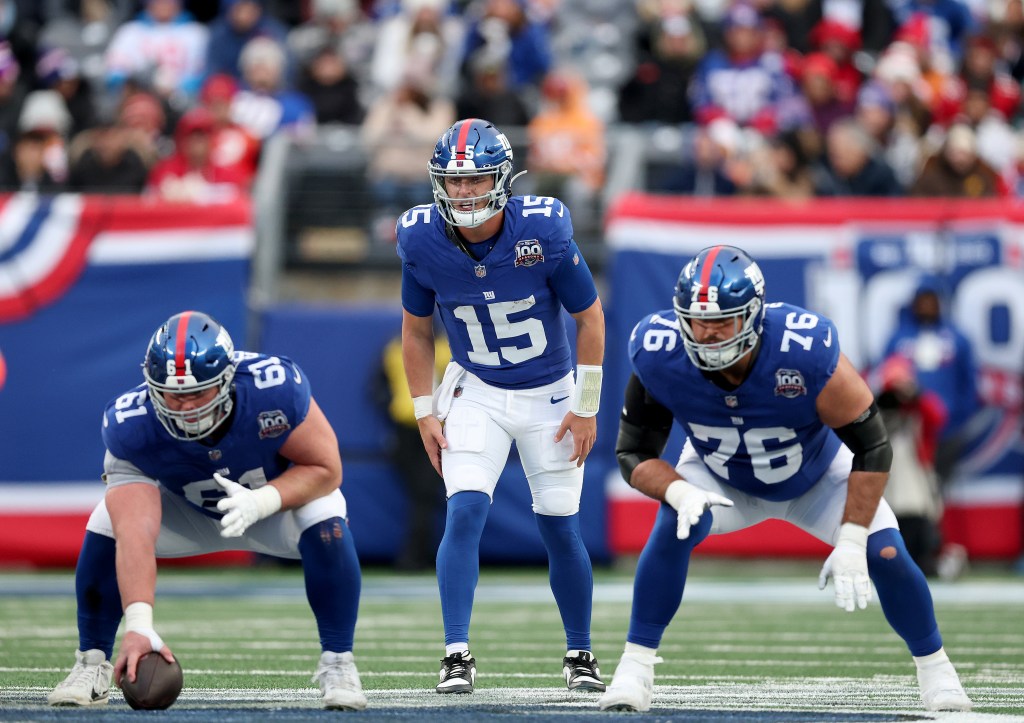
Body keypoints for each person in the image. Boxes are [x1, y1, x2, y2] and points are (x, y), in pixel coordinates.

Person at [597, 246, 972, 714]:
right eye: (696, 321)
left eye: (723, 322)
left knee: (887, 552)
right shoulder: (660, 352)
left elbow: (873, 445)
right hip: (720, 474)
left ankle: (937, 671)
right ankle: (635, 669)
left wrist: (853, 539)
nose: (707, 334)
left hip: (814, 475)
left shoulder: (804, 350)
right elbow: (633, 452)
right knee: (676, 522)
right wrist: (679, 489)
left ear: (753, 316)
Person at [47, 311, 366, 711]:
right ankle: (91, 663)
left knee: (325, 514)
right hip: (190, 513)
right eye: (173, 394)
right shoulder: (131, 424)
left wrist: (261, 500)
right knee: (108, 522)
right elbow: (135, 533)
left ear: (228, 379)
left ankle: (338, 662)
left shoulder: (275, 388)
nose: (186, 407)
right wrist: (140, 626)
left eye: (199, 393)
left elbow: (326, 469)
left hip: (273, 507)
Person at [397, 118, 606, 694]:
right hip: (476, 388)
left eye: (476, 180)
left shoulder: (544, 227)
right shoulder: (420, 237)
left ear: (502, 179)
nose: (463, 193)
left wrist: (586, 405)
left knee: (560, 526)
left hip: (551, 392)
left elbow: (590, 319)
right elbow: (416, 333)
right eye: (454, 182)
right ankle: (456, 652)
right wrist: (423, 410)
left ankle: (580, 653)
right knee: (465, 510)